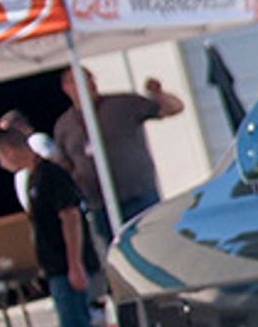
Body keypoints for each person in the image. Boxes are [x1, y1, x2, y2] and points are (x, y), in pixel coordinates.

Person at [0, 127, 118, 327]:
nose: (0, 165)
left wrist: (75, 265)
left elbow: (70, 218)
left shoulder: (50, 176)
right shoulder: (32, 178)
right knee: (82, 326)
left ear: (9, 150)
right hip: (55, 266)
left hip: (66, 265)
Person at [54, 67, 185, 228]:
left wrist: (159, 94)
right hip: (99, 206)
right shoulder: (64, 126)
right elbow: (65, 165)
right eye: (79, 80)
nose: (88, 83)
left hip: (139, 197)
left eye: (90, 78)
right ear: (66, 88)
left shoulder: (123, 104)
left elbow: (175, 108)